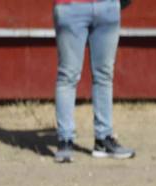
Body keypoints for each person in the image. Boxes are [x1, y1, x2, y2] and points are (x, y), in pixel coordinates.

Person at [53, 0, 135, 163]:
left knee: (103, 75)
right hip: (72, 6)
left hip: (105, 7)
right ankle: (65, 140)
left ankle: (103, 138)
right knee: (69, 76)